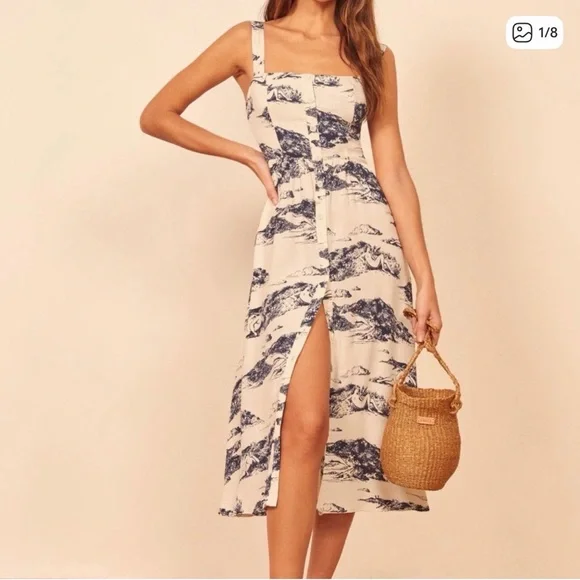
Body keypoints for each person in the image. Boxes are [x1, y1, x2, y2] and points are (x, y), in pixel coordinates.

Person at [140, 0, 443, 577]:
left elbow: (393, 170)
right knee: (304, 424)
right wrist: (248, 155)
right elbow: (158, 114)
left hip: (369, 244)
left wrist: (425, 279)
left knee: (352, 424)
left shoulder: (371, 55)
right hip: (292, 240)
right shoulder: (248, 41)